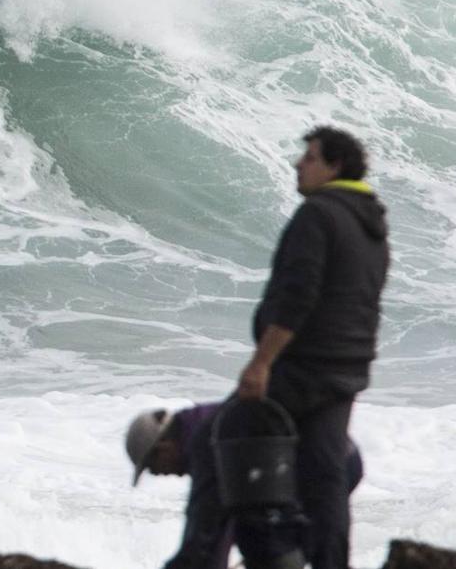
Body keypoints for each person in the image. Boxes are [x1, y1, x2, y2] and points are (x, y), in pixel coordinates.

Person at [236, 126, 389, 569]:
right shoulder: (370, 223)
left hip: (304, 368)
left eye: (309, 158)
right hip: (348, 367)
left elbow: (298, 295)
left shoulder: (320, 214)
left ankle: (257, 556)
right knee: (324, 474)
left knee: (230, 446)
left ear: (334, 166)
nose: (298, 165)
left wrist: (261, 362)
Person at [126, 403, 364, 569]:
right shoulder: (205, 421)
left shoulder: (205, 440)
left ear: (164, 446)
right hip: (340, 455)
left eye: (153, 467)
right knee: (262, 534)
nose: (161, 474)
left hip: (323, 468)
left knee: (266, 544)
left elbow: (204, 534)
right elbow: (219, 525)